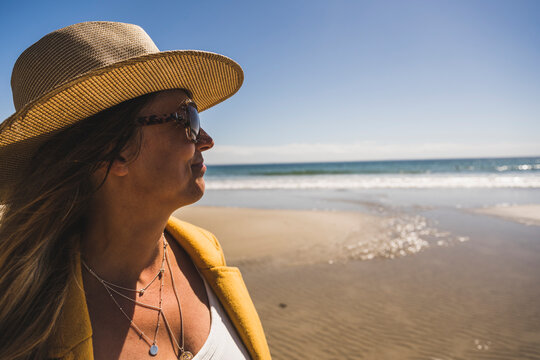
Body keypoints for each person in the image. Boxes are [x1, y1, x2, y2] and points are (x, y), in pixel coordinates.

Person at [0, 21, 271, 360]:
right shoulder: (29, 332)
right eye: (187, 119)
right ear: (114, 150)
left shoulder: (205, 252)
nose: (206, 140)